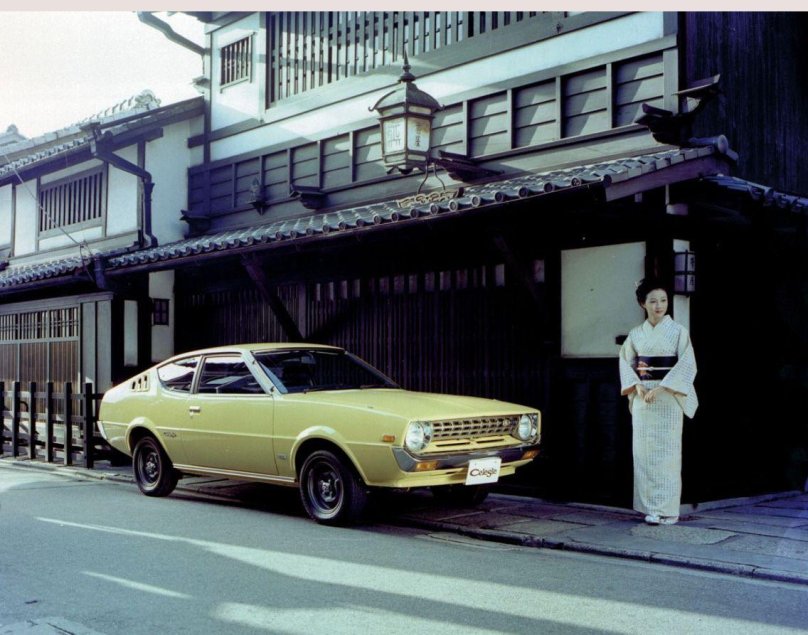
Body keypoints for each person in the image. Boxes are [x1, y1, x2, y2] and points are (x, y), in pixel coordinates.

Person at [619, 278, 698, 525]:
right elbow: (625, 362)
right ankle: (649, 508)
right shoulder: (636, 334)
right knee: (643, 454)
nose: (659, 305)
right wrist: (639, 386)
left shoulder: (678, 332)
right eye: (652, 301)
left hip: (668, 398)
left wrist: (663, 387)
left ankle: (669, 510)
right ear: (643, 303)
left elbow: (687, 364)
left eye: (663, 300)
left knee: (668, 454)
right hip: (644, 399)